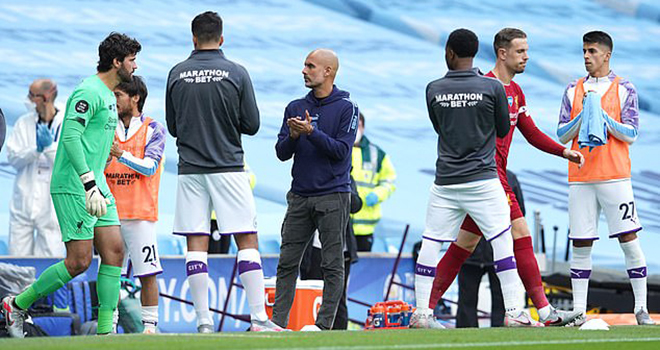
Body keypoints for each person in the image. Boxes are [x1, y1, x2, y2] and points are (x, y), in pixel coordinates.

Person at [428, 28, 584, 327]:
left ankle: (424, 309)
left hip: (487, 177)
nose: (527, 57)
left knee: (464, 245)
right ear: (503, 53)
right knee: (521, 232)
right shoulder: (484, 86)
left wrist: (563, 152)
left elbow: (531, 132)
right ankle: (543, 310)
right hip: (487, 176)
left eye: (527, 51)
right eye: (521, 51)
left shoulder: (515, 91)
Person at [2, 32, 141, 337]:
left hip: (96, 184)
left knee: (115, 251)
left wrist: (99, 176)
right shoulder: (87, 92)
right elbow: (70, 138)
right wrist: (89, 181)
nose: (135, 66)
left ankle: (105, 334)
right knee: (78, 261)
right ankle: (16, 303)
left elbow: (95, 143)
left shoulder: (109, 94)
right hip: (75, 185)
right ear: (116, 61)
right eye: (131, 60)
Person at [411, 28, 536, 329]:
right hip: (482, 178)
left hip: (445, 180)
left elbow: (439, 126)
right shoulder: (491, 88)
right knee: (503, 240)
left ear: (449, 53)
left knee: (431, 242)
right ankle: (515, 312)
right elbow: (503, 129)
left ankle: (422, 314)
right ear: (475, 53)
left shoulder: (433, 88)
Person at [166, 11, 282, 333]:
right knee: (247, 239)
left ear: (193, 38)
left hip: (190, 169)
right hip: (229, 166)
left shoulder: (176, 73)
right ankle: (259, 319)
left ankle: (204, 322)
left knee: (196, 244)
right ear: (221, 38)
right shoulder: (236, 72)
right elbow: (253, 125)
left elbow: (174, 127)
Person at [556, 31, 654, 326]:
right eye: (584, 51)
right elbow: (561, 134)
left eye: (592, 51)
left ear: (606, 55)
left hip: (614, 176)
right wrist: (587, 112)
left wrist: (602, 117)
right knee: (581, 243)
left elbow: (632, 134)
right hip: (581, 176)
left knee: (628, 238)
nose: (586, 56)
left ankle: (641, 308)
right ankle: (579, 310)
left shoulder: (625, 88)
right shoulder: (573, 89)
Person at [273, 48, 359, 331]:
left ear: (328, 72)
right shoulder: (295, 107)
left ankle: (323, 326)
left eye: (310, 66)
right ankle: (277, 323)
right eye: (304, 65)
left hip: (333, 196)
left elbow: (341, 152)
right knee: (287, 262)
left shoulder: (347, 109)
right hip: (299, 196)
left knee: (332, 265)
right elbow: (281, 152)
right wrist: (295, 137)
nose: (304, 70)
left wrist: (312, 133)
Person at [104, 75, 165, 334]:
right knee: (109, 274)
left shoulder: (154, 129)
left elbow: (150, 167)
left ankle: (149, 328)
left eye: (118, 95)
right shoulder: (106, 126)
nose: (113, 101)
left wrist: (121, 155)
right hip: (109, 213)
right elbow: (99, 165)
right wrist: (107, 159)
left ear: (135, 98)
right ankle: (108, 325)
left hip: (140, 214)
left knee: (147, 272)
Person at [6, 79, 65, 257]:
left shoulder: (67, 124)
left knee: (50, 259)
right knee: (17, 260)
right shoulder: (23, 123)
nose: (28, 99)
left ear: (45, 97)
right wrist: (35, 150)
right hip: (24, 199)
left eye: (32, 95)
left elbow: (67, 165)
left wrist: (48, 148)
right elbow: (14, 158)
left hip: (52, 204)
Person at [456, 170, 522, 328]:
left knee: (502, 300)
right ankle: (464, 339)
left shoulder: (510, 178)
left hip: (498, 251)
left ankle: (501, 337)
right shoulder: (465, 173)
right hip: (469, 251)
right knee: (466, 301)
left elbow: (519, 214)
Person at [299, 175, 362, 330]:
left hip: (340, 249)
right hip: (314, 250)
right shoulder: (309, 175)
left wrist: (342, 189)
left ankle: (339, 338)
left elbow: (356, 204)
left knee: (338, 298)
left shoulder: (346, 177)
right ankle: (311, 332)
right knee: (312, 294)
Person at [351, 112, 396, 252]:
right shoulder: (336, 149)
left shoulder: (377, 154)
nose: (355, 129)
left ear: (363, 127)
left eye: (358, 125)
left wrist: (377, 194)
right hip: (338, 225)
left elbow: (389, 182)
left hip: (366, 226)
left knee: (361, 269)